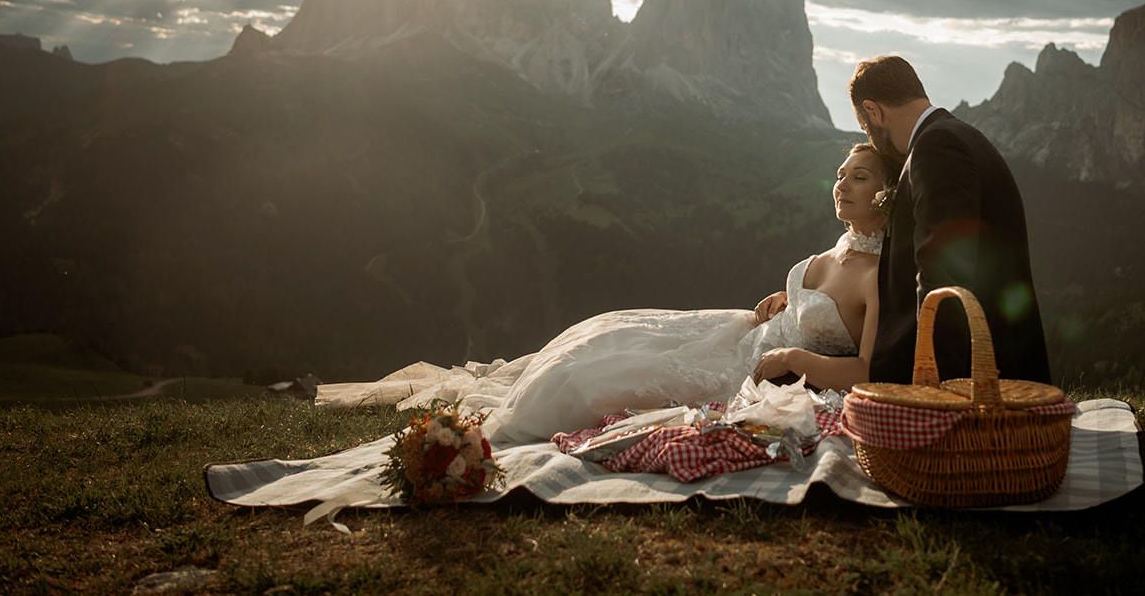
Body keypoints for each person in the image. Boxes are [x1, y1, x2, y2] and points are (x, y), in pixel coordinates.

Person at [374, 144, 897, 447]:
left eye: (858, 177)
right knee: (612, 333)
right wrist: (787, 296)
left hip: (760, 368)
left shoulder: (878, 275)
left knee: (598, 382)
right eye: (839, 175)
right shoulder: (834, 253)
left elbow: (868, 371)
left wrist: (793, 354)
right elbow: (816, 297)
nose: (841, 185)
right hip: (740, 330)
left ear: (886, 192)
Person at [849, 55, 1052, 387]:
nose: (871, 138)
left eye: (864, 126)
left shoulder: (937, 146)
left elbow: (943, 279)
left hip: (978, 380)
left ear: (873, 111)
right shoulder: (953, 135)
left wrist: (936, 383)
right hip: (987, 365)